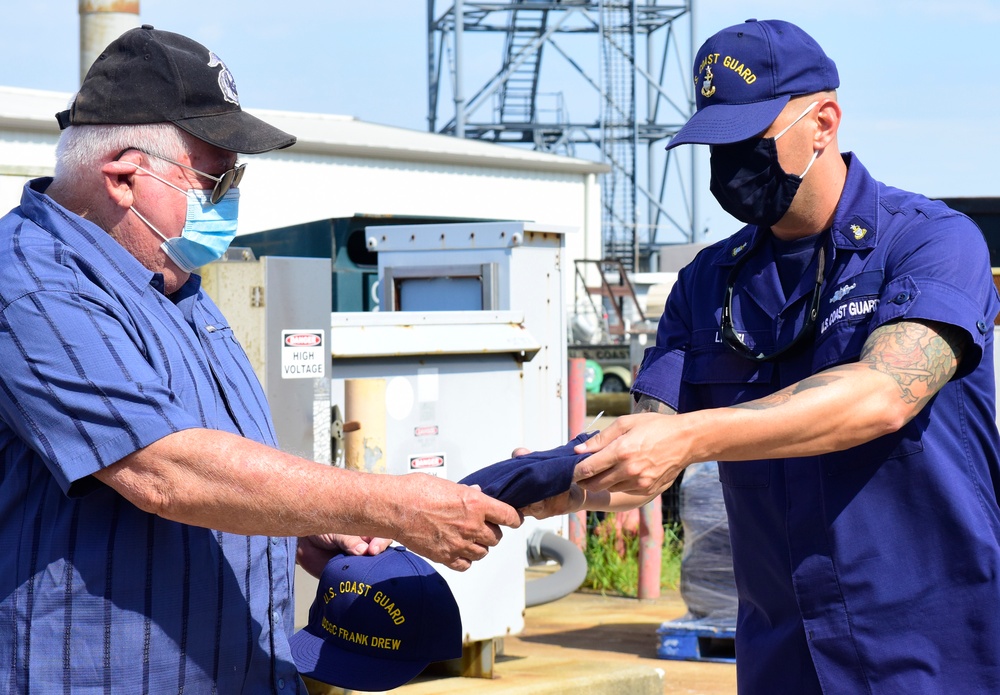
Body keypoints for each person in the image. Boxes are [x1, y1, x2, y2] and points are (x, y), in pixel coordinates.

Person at [0, 25, 520, 693]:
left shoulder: (175, 285)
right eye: (216, 178)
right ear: (125, 176)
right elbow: (167, 470)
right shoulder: (30, 285)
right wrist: (388, 505)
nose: (230, 199)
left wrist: (305, 526)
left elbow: (216, 466)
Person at [535, 18, 1000, 693]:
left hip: (933, 657)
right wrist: (517, 488)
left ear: (825, 121)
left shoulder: (931, 244)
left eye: (750, 140)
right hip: (784, 659)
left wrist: (688, 437)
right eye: (716, 144)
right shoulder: (707, 284)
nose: (731, 165)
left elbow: (882, 394)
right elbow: (643, 443)